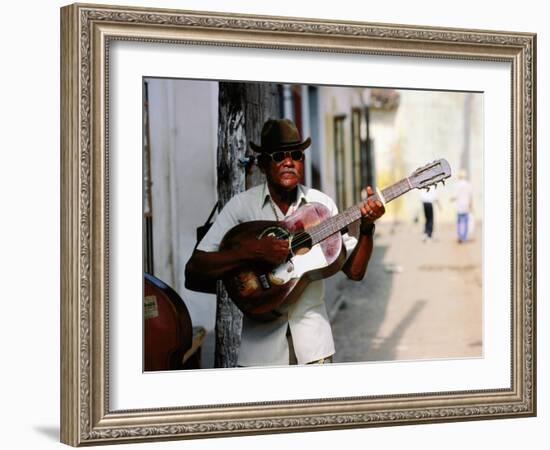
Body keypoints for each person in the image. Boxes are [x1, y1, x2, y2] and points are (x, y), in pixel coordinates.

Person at [185, 118, 385, 367]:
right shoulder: (241, 207)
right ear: (263, 163)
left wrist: (366, 227)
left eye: (296, 154)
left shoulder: (320, 206)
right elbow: (196, 265)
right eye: (279, 155)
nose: (289, 161)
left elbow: (355, 272)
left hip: (314, 350)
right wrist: (252, 252)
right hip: (259, 356)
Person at [454, 169, 473, 243]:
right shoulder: (468, 184)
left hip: (459, 206)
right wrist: (471, 206)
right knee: (465, 222)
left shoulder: (457, 184)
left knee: (458, 222)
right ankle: (464, 237)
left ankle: (459, 236)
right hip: (466, 206)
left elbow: (455, 196)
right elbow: (470, 196)